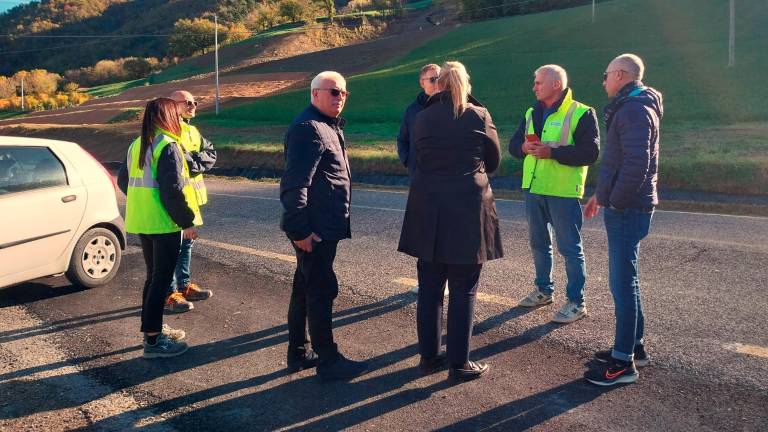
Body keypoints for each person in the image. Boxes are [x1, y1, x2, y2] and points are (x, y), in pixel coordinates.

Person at [398, 61, 503, 381]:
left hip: (427, 208)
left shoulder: (421, 118)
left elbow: (416, 155)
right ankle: (459, 362)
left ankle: (428, 356)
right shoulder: (478, 115)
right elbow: (494, 160)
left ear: (439, 84)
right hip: (467, 211)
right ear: (465, 85)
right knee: (464, 289)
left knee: (429, 288)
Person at [280, 71, 368, 381]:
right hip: (313, 230)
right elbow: (294, 185)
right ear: (315, 93)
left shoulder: (326, 126)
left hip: (320, 226)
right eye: (332, 91)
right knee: (320, 290)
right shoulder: (310, 129)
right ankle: (328, 361)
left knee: (304, 289)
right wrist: (300, 230)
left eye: (343, 92)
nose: (339, 97)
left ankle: (298, 352)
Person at [583, 53, 663, 386]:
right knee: (626, 278)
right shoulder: (634, 105)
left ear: (620, 74)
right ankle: (635, 347)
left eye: (605, 74)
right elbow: (620, 162)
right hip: (627, 204)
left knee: (622, 283)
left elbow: (636, 164)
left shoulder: (632, 108)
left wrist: (613, 201)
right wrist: (600, 195)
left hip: (628, 208)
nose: (603, 81)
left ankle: (622, 363)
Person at [508, 64, 600, 324]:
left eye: (538, 82)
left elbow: (590, 154)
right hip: (533, 188)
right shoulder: (531, 112)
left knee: (570, 248)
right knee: (539, 244)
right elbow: (513, 146)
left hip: (562, 191)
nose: (534, 87)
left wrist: (553, 153)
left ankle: (576, 302)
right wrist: (523, 147)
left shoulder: (581, 112)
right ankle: (543, 291)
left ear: (556, 84)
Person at [118, 98, 202, 358]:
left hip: (142, 221)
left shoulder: (137, 144)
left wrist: (144, 203)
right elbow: (172, 191)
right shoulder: (168, 145)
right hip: (163, 222)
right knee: (161, 282)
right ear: (168, 117)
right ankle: (154, 343)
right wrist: (187, 221)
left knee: (153, 279)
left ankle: (152, 331)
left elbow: (123, 181)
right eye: (176, 114)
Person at [163, 90, 217, 314]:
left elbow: (211, 153)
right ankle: (169, 294)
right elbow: (178, 161)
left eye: (195, 102)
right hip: (172, 201)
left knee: (186, 246)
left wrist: (195, 163)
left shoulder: (192, 130)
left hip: (190, 201)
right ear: (172, 105)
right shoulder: (168, 131)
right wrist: (195, 163)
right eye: (187, 102)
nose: (193, 105)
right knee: (170, 249)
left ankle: (184, 286)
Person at [396, 63, 441, 295]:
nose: (437, 82)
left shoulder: (450, 106)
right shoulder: (412, 110)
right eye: (432, 79)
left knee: (445, 232)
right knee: (423, 233)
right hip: (420, 182)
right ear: (422, 82)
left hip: (444, 183)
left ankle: (444, 282)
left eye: (440, 78)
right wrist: (408, 162)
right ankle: (425, 281)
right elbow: (402, 139)